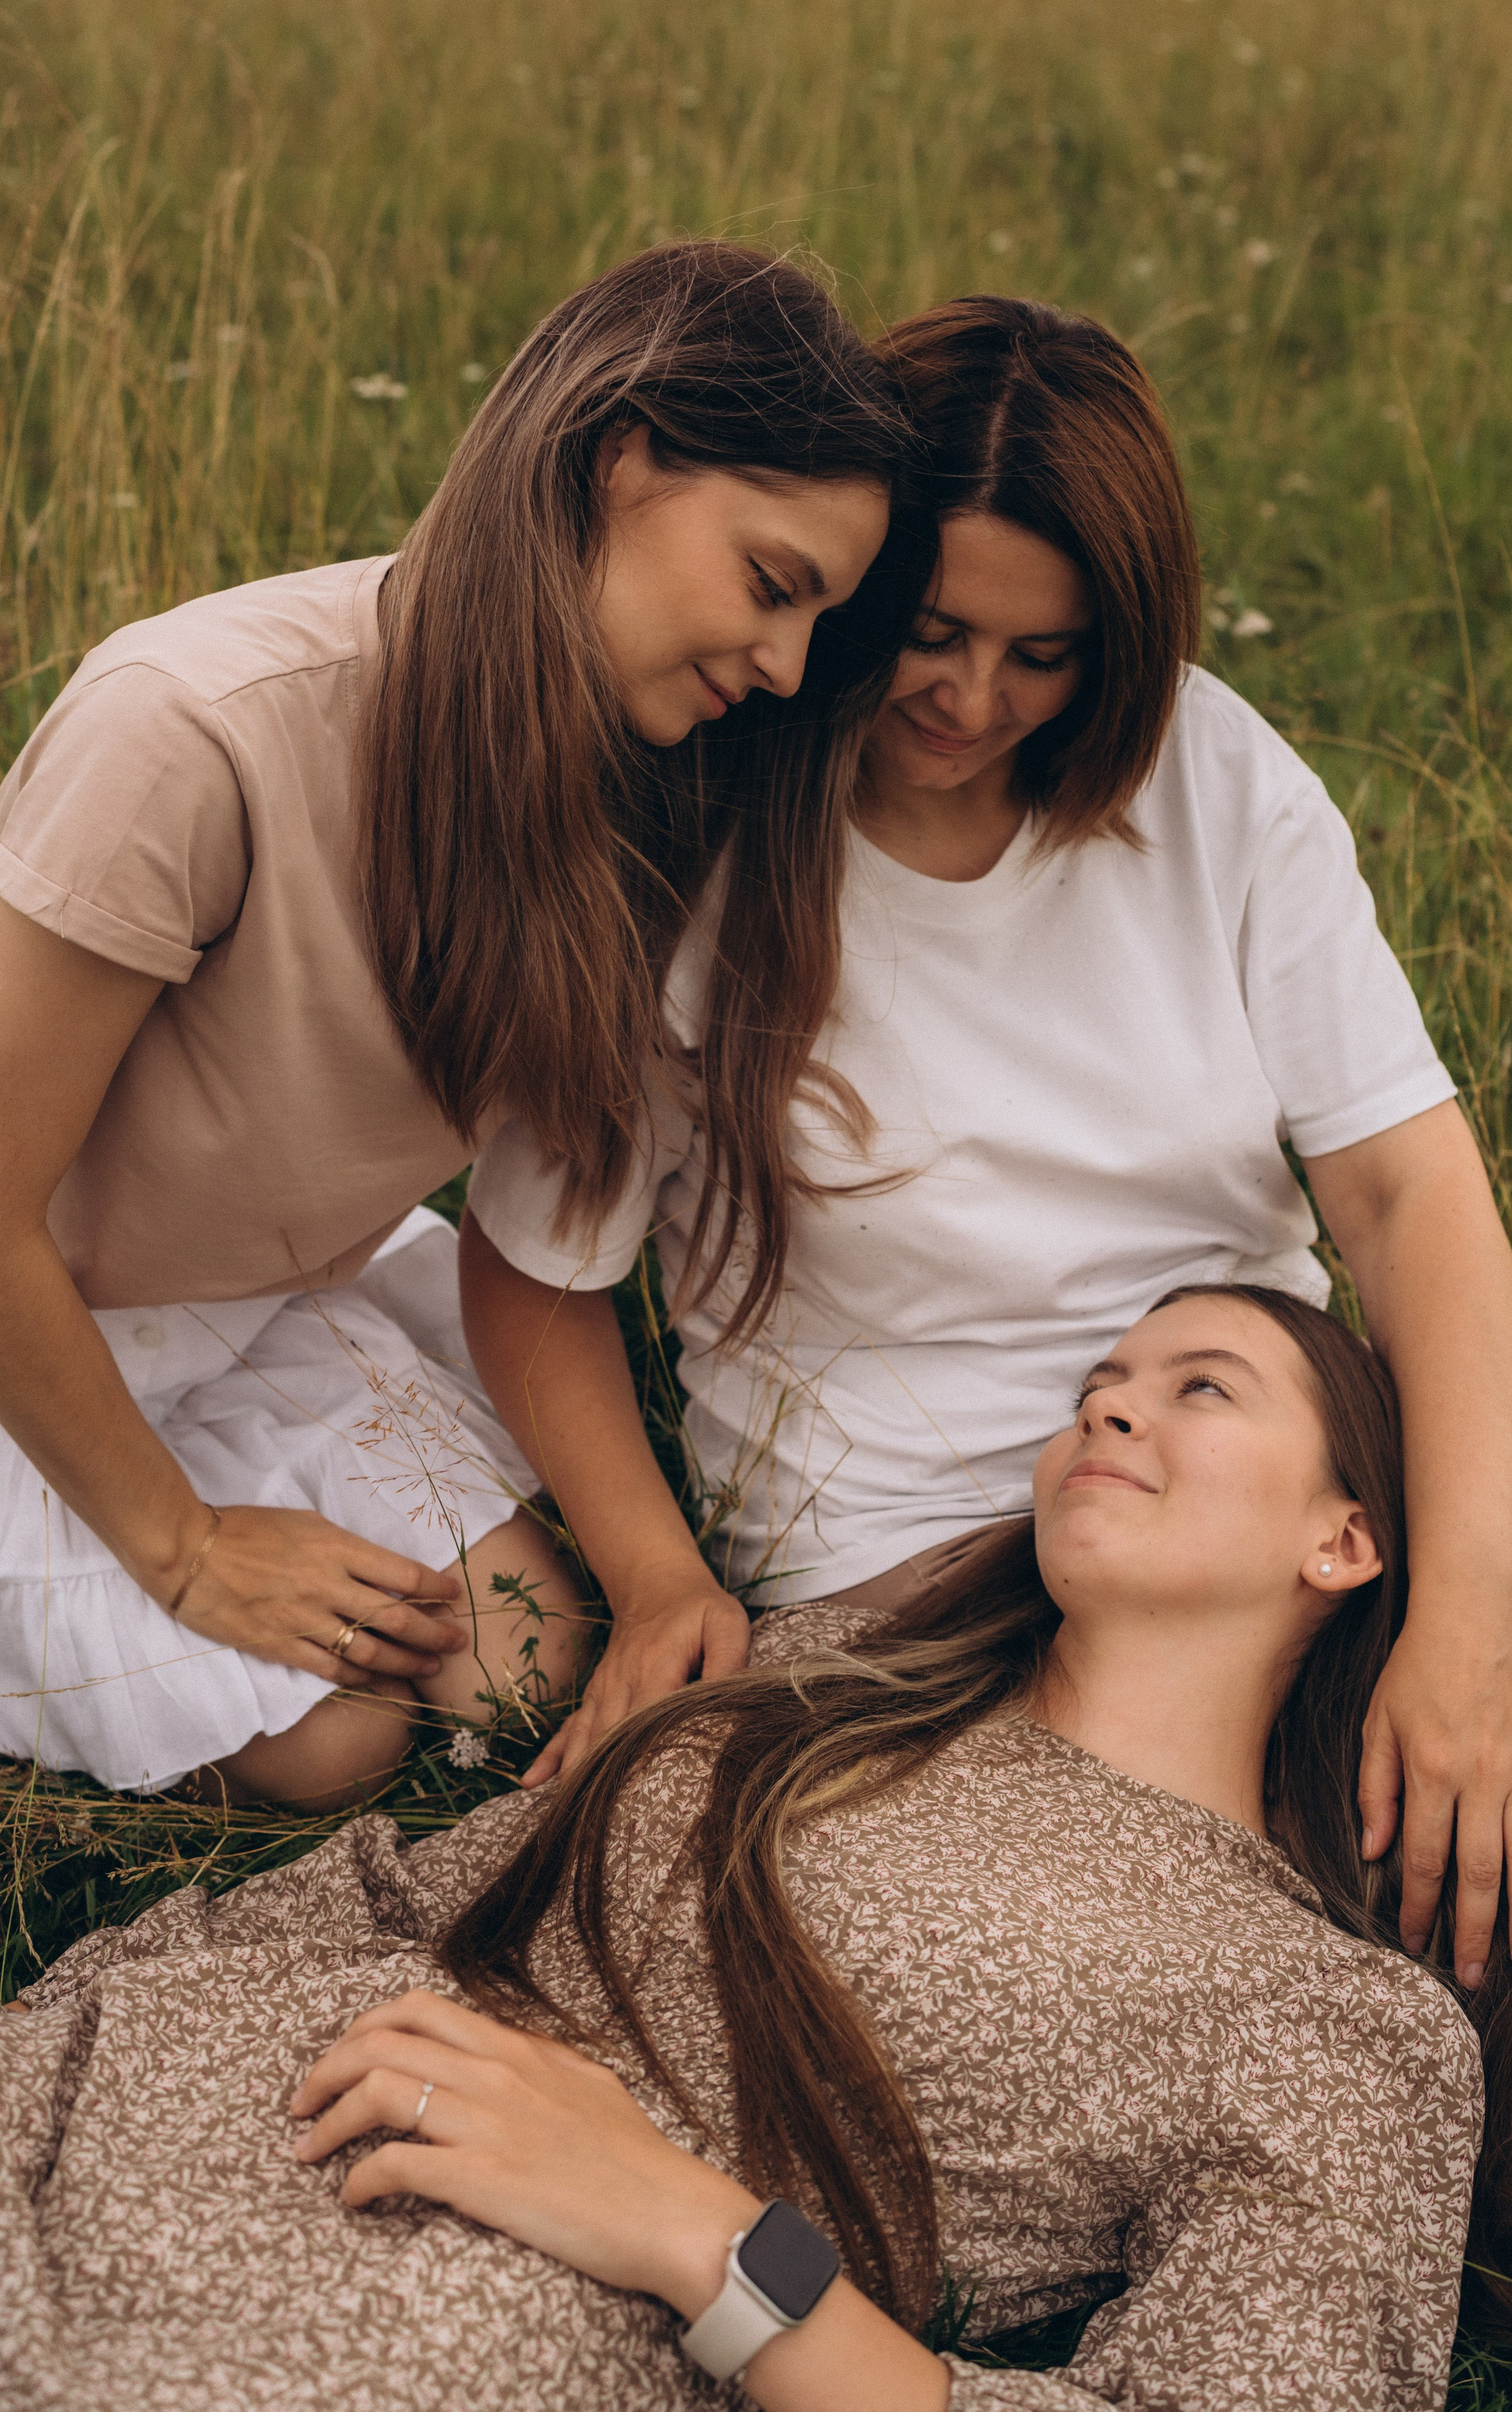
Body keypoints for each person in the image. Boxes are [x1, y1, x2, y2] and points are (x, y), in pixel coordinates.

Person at [459, 294, 1512, 1996]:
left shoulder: (1215, 779)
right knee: (1305, 1944)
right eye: (929, 628)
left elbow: (1403, 1185)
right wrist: (652, 1577)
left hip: (1273, 1451)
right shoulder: (700, 832)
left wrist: (1473, 1620)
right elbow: (535, 1271)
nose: (974, 696)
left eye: (1044, 653)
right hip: (922, 1554)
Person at [4, 1285, 1512, 2408]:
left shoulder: (1331, 2022)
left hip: (458, 2311)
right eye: (1096, 1383)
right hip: (155, 2085)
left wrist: (697, 2236)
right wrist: (95, 2017)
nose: (1107, 1400)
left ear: (1343, 1536)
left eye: (1200, 1384)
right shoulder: (828, 1666)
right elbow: (415, 1884)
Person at [0, 241, 915, 1805]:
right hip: (34, 1334)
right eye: (772, 585)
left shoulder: (640, 792)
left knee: (515, 1659)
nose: (782, 666)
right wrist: (190, 1546)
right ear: (617, 458)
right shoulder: (195, 731)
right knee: (339, 1731)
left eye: (816, 622)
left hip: (251, 1304)